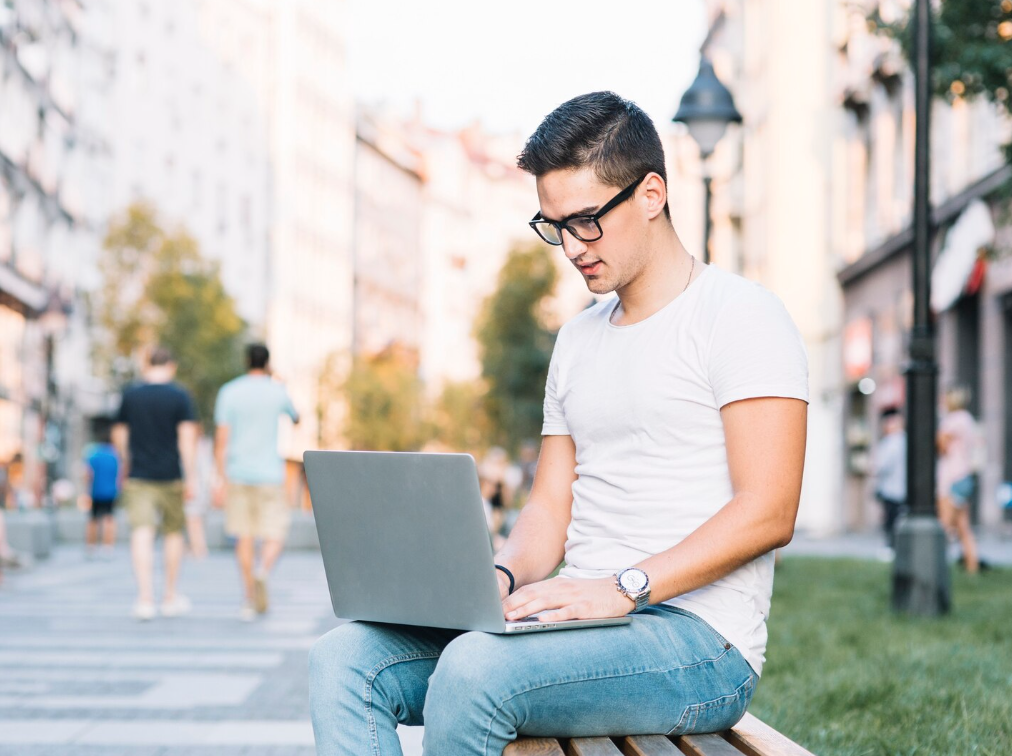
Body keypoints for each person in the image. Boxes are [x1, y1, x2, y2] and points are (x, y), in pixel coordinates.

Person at [308, 92, 809, 755]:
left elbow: (770, 510)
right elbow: (548, 509)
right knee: (343, 660)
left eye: (587, 221)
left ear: (652, 193)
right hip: (575, 626)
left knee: (474, 671)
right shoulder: (577, 341)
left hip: (699, 643)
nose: (572, 246)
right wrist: (502, 579)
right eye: (554, 226)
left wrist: (624, 588)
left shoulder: (741, 315)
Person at [213, 343, 299, 621]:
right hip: (269, 476)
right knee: (276, 533)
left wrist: (220, 479)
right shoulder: (277, 392)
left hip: (238, 474)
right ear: (268, 362)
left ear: (246, 360)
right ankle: (263, 571)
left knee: (244, 537)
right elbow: (297, 418)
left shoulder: (229, 392)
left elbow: (221, 440)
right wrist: (280, 382)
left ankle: (249, 599)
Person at [112, 346, 198, 620]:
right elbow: (187, 439)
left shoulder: (131, 395)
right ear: (170, 365)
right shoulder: (180, 396)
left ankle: (145, 599)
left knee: (141, 532)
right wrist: (191, 476)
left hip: (139, 474)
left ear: (146, 365)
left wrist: (126, 461)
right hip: (171, 475)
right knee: (173, 533)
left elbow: (119, 433)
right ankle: (169, 597)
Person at [937, 386, 981, 574]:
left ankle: (935, 567)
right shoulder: (968, 419)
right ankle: (973, 566)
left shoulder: (954, 420)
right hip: (964, 476)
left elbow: (942, 444)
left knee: (944, 527)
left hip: (951, 478)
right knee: (963, 527)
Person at [83, 424, 121, 559]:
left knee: (93, 520)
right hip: (111, 491)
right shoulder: (115, 454)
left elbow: (88, 474)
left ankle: (91, 547)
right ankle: (108, 547)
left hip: (95, 491)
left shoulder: (93, 453)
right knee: (109, 519)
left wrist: (86, 491)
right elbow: (120, 474)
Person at [873, 407, 907, 552]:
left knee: (891, 519)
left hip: (892, 488)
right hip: (901, 487)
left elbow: (881, 465)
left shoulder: (891, 442)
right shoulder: (905, 439)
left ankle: (890, 546)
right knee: (897, 518)